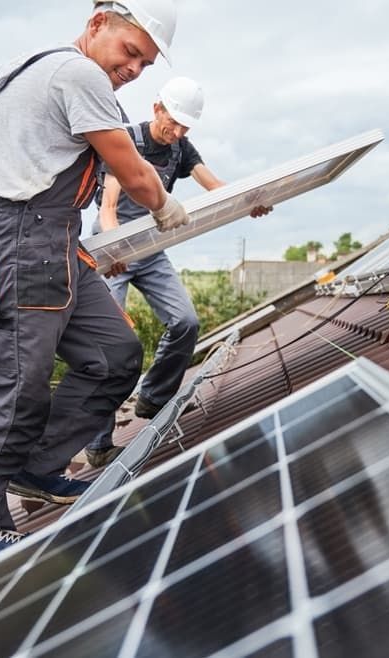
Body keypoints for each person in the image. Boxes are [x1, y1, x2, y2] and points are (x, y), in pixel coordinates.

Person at [0, 0, 190, 565]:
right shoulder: (77, 73)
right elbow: (131, 170)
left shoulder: (29, 71)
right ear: (97, 22)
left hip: (54, 240)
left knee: (115, 354)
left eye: (145, 64)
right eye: (131, 52)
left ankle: (38, 466)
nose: (133, 69)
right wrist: (163, 204)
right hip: (14, 240)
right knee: (16, 389)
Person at [84, 77, 272, 468]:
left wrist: (248, 201)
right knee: (111, 346)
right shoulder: (127, 141)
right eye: (174, 122)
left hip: (152, 251)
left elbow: (214, 186)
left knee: (186, 321)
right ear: (157, 108)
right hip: (115, 250)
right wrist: (115, 249)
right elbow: (108, 208)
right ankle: (99, 443)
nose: (178, 132)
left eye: (186, 126)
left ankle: (153, 397)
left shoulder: (181, 149)